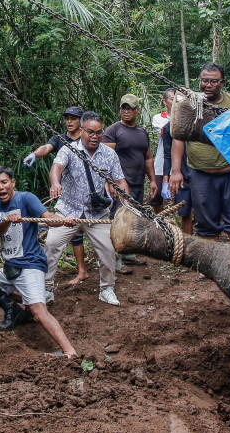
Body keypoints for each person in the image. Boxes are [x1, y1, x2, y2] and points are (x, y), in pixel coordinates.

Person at [0, 166, 78, 357]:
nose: (1, 187)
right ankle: (27, 305)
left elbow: (48, 217)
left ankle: (70, 352)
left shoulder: (25, 198)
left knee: (38, 310)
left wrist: (63, 221)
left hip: (30, 264)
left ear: (13, 183)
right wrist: (7, 220)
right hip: (10, 267)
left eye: (4, 182)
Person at [47, 112, 128, 306]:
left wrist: (127, 199)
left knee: (108, 249)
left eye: (99, 133)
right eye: (90, 132)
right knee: (51, 245)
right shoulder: (69, 149)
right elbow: (56, 167)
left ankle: (107, 289)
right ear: (81, 130)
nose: (95, 136)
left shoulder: (109, 154)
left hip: (96, 213)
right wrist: (55, 183)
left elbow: (120, 180)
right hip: (68, 210)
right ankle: (46, 289)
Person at [169, 64, 230, 246]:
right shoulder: (189, 104)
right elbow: (178, 138)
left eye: (214, 81)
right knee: (206, 224)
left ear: (222, 82)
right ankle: (209, 271)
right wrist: (176, 170)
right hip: (200, 174)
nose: (208, 85)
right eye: (204, 80)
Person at [22, 106, 92, 286]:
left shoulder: (88, 138)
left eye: (73, 118)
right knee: (70, 234)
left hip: (88, 194)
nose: (69, 122)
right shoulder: (60, 139)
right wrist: (34, 154)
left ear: (81, 121)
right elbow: (47, 147)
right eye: (67, 118)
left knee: (99, 234)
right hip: (67, 194)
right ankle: (78, 272)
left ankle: (104, 269)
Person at [103, 93, 158, 206]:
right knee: (122, 218)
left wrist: (152, 180)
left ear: (138, 110)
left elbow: (148, 158)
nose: (126, 111)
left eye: (130, 108)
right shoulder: (113, 130)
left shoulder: (142, 132)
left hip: (139, 184)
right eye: (124, 108)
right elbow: (104, 159)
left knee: (136, 219)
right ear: (120, 110)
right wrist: (110, 183)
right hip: (121, 185)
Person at [158, 104, 194, 235]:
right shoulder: (169, 128)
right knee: (184, 212)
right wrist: (166, 179)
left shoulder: (197, 124)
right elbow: (167, 154)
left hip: (199, 174)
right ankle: (187, 242)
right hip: (182, 175)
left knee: (204, 212)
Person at [152, 90, 175, 211]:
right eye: (172, 99)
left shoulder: (186, 117)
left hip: (180, 165)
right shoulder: (158, 118)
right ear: (165, 102)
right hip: (161, 164)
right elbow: (165, 133)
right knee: (156, 198)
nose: (175, 101)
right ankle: (159, 223)